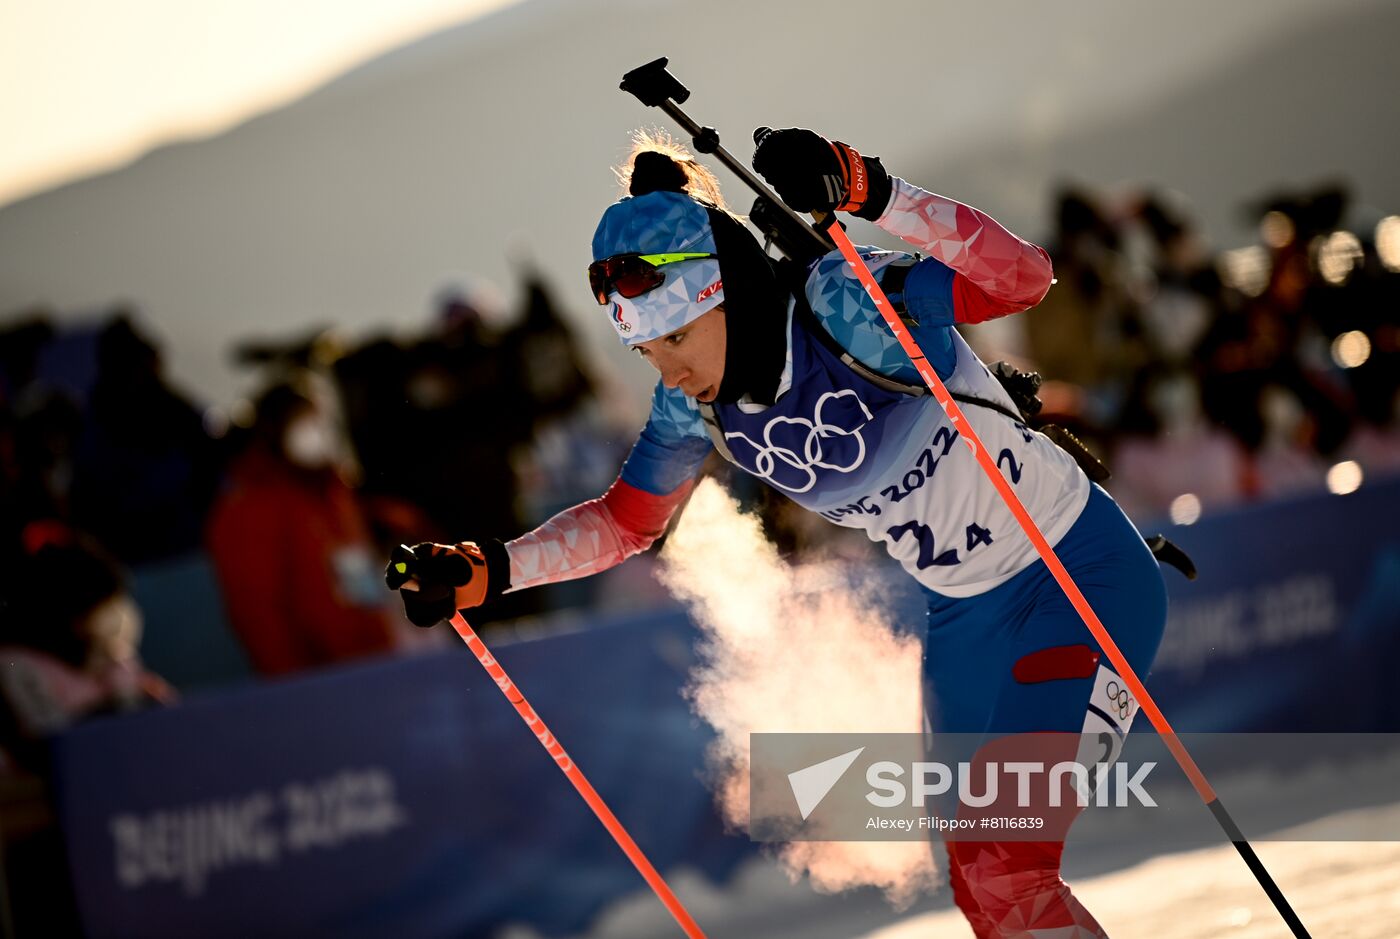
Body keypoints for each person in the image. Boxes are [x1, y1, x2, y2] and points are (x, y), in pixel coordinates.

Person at [386, 129, 1169, 938]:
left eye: (678, 338)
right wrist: (491, 570)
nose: (671, 370)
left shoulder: (845, 306)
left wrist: (872, 191)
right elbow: (627, 521)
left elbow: (1021, 278)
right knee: (982, 877)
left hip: (1074, 574)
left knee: (1009, 866)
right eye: (647, 351)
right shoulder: (696, 408)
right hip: (967, 618)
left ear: (723, 292)